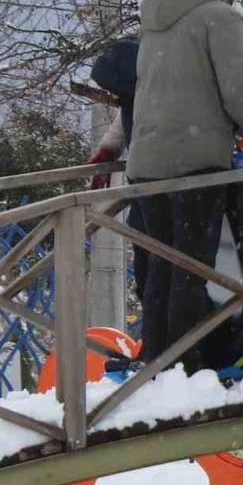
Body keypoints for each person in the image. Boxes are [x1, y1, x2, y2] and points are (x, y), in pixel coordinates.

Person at [125, 0, 243, 372]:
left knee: (161, 264)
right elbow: (240, 92)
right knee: (192, 266)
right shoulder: (220, 18)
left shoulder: (155, 18)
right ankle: (183, 365)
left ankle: (153, 357)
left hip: (147, 161)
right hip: (194, 162)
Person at [85, 37, 150, 299]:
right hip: (144, 183)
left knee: (166, 263)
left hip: (169, 180)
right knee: (149, 255)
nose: (115, 98)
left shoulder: (157, 82)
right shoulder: (137, 88)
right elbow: (126, 119)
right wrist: (108, 150)